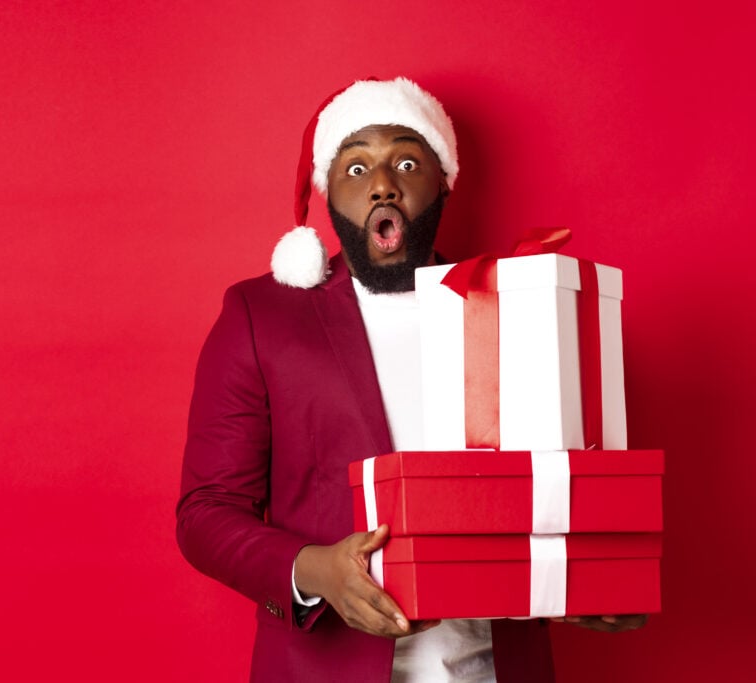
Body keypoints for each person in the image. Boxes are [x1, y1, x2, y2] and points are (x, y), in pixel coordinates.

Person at [176, 77, 644, 683]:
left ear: (442, 180)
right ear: (327, 191)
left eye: (405, 160)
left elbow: (559, 482)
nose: (381, 184)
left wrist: (603, 576)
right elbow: (206, 513)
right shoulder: (260, 318)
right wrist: (317, 571)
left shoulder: (512, 306)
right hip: (327, 669)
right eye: (355, 167)